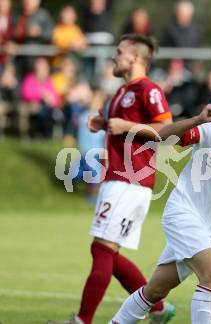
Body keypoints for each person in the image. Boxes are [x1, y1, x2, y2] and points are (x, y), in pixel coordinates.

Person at [109, 72, 211, 324]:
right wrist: (198, 119)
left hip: (209, 229)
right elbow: (164, 136)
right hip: (182, 212)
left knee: (155, 290)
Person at [48, 34, 175, 324]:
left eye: (120, 52)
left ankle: (83, 320)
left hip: (129, 181)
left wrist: (127, 125)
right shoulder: (121, 91)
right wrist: (105, 124)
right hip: (117, 179)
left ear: (135, 58)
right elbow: (125, 130)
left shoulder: (148, 89)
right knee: (106, 250)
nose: (115, 57)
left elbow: (166, 129)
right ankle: (157, 309)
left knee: (103, 249)